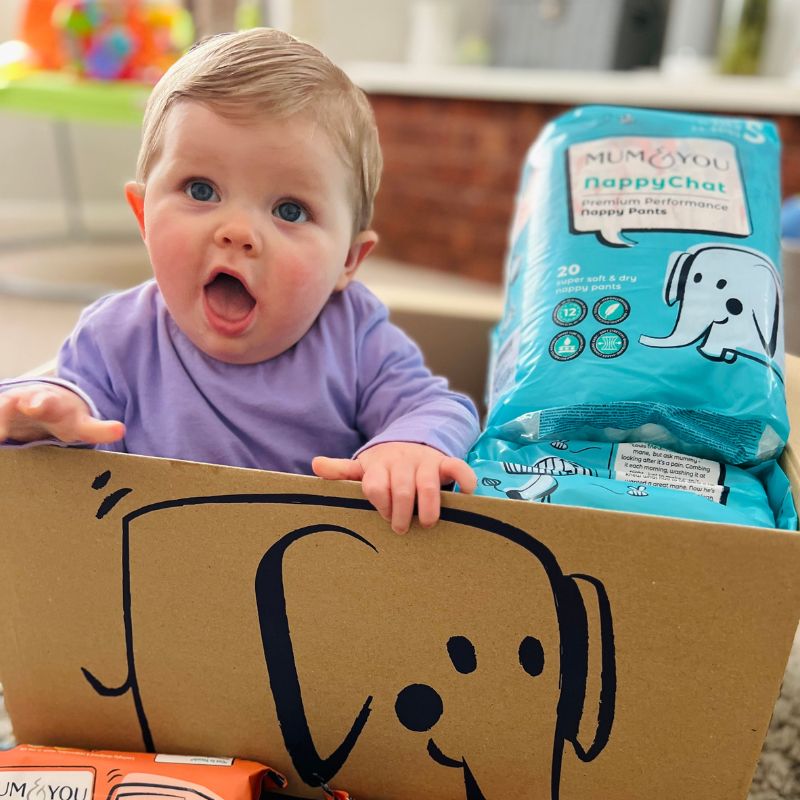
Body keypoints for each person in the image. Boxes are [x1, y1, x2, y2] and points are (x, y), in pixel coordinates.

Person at [0, 27, 480, 534]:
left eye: (290, 210)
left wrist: (406, 446)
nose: (237, 232)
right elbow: (62, 397)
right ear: (143, 215)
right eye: (201, 190)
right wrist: (37, 409)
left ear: (348, 260)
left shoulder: (355, 336)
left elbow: (436, 405)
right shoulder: (115, 336)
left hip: (312, 562)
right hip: (148, 552)